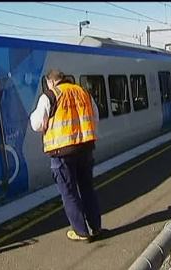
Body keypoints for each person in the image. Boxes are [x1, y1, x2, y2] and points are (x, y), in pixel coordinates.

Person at [30, 69, 103, 242]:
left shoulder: (49, 96)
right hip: (85, 148)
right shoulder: (83, 92)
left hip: (61, 152)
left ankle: (81, 232)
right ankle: (96, 227)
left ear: (50, 81)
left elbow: (37, 124)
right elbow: (95, 117)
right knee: (87, 189)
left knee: (69, 192)